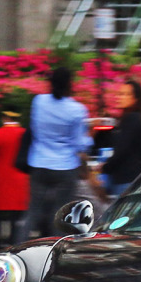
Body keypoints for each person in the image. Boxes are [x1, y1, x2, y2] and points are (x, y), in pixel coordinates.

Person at [26, 67, 91, 238]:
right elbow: (79, 145)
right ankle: (55, 253)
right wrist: (90, 136)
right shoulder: (77, 110)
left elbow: (35, 128)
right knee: (60, 215)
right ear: (70, 84)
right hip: (65, 167)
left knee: (32, 212)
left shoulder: (38, 102)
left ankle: (19, 245)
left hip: (39, 163)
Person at [100, 78, 141, 196]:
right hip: (126, 179)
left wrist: (105, 167)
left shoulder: (132, 119)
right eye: (120, 94)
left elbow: (122, 149)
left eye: (125, 94)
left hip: (127, 180)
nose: (120, 97)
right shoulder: (131, 119)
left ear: (135, 99)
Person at [0, 109, 31, 245]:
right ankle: (16, 242)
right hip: (21, 179)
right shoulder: (24, 133)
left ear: (4, 118)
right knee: (18, 216)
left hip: (2, 181)